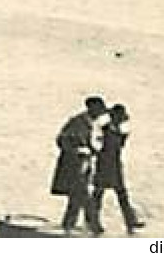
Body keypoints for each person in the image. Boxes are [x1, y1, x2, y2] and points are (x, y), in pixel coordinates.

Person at [52, 96, 110, 234]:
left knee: (76, 197)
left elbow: (89, 143)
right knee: (84, 196)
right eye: (99, 110)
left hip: (83, 165)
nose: (101, 113)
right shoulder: (77, 122)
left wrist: (95, 152)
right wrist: (78, 150)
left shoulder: (91, 123)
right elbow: (62, 140)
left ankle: (68, 226)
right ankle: (94, 227)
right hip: (73, 165)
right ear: (91, 108)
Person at [93, 104, 145, 232]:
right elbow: (97, 146)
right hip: (104, 164)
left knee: (118, 194)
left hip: (114, 165)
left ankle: (130, 221)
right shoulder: (104, 130)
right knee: (99, 195)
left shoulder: (118, 132)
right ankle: (94, 222)